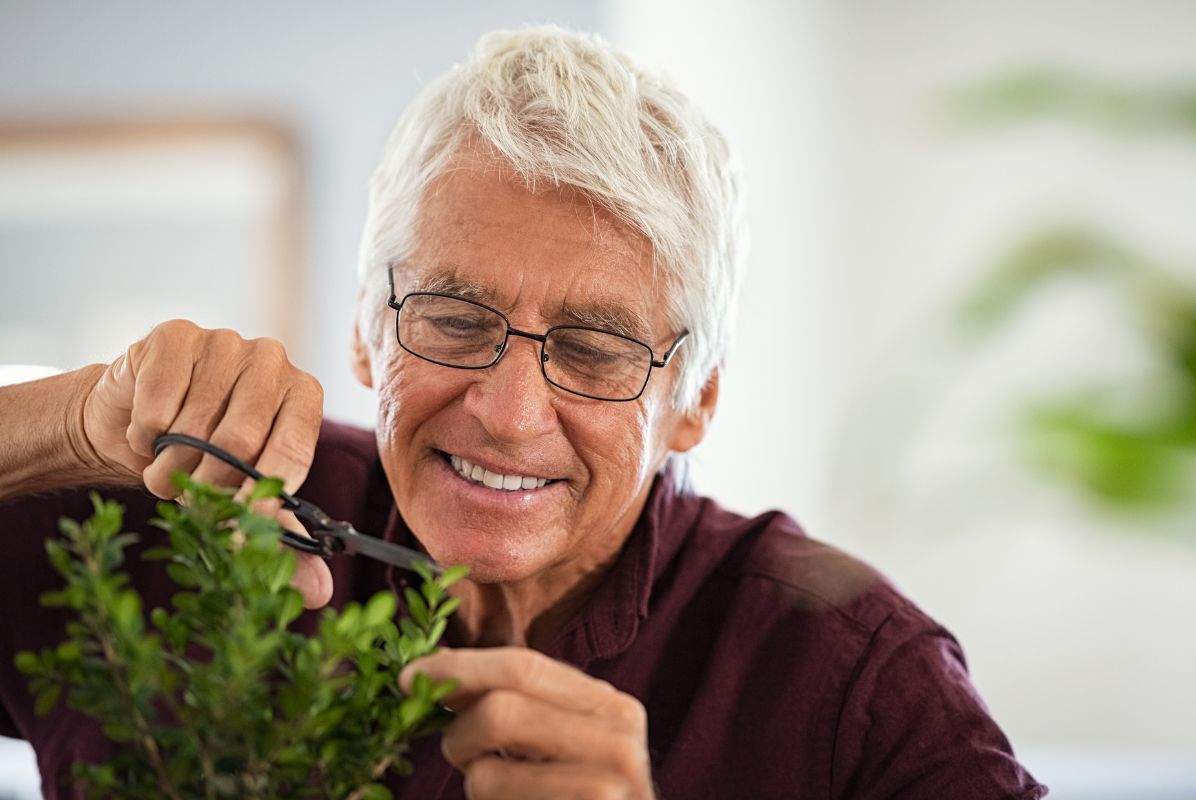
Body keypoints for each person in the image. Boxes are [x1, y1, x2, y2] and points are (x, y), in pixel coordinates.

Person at [0, 26, 1046, 800]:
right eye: (454, 319)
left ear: (698, 398)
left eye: (595, 350)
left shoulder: (847, 673)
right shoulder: (176, 509)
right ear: (366, 330)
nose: (506, 413)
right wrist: (75, 421)